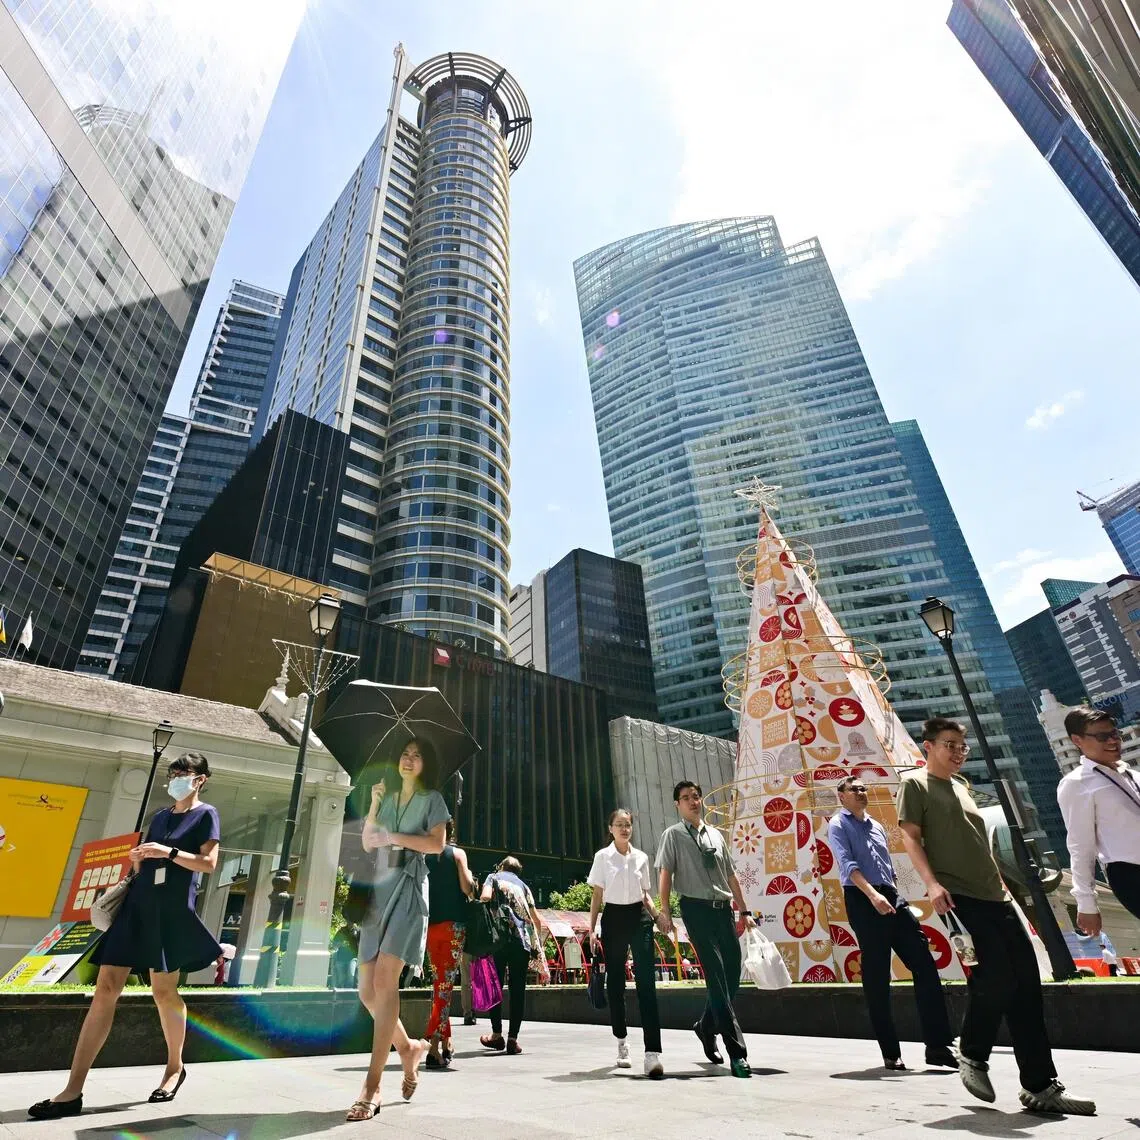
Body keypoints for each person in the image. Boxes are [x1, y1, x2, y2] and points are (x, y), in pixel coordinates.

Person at [898, 717, 1095, 1116]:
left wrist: (1007, 890)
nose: (957, 752)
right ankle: (971, 1053)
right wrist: (932, 885)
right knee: (997, 976)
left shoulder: (961, 787)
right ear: (929, 746)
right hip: (958, 896)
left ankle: (1041, 1086)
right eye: (949, 744)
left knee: (1027, 986)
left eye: (962, 747)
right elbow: (910, 838)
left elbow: (978, 845)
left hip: (995, 896)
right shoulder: (916, 784)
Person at [29, 752, 222, 1120]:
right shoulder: (160, 817)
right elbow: (146, 862)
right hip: (137, 907)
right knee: (105, 989)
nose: (177, 778)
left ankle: (174, 1068)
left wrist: (168, 851)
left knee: (164, 992)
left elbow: (208, 864)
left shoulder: (206, 814)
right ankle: (72, 1091)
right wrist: (138, 859)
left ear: (201, 779)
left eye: (184, 773)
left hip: (170, 913)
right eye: (173, 772)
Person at [347, 738, 450, 1122]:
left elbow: (437, 844)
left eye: (417, 755)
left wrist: (394, 837)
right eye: (405, 754)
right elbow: (369, 842)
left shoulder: (433, 799)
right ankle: (407, 1048)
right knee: (366, 991)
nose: (409, 759)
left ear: (426, 764)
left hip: (409, 888)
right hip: (378, 887)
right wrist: (374, 805)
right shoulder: (387, 798)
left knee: (387, 983)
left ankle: (372, 1086)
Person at [827, 777, 956, 1071]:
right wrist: (872, 897)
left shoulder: (876, 825)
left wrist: (894, 896)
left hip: (891, 897)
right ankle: (890, 1052)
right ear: (841, 796)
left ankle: (938, 1046)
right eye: (854, 790)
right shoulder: (837, 824)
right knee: (877, 976)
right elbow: (847, 866)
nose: (861, 793)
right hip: (862, 898)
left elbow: (886, 866)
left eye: (863, 788)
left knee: (924, 962)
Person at [656, 780, 755, 1079]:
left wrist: (744, 910)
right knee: (715, 976)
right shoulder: (672, 835)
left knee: (732, 975)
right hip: (695, 910)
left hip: (722, 910)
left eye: (696, 796)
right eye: (686, 798)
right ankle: (737, 1053)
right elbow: (665, 874)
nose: (693, 801)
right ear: (677, 804)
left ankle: (704, 1025)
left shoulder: (716, 834)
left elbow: (731, 874)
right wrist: (665, 911)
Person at [588, 808, 667, 1078]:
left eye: (628, 825)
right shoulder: (602, 857)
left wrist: (659, 916)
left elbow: (646, 894)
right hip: (613, 919)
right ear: (610, 828)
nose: (624, 829)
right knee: (617, 983)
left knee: (647, 983)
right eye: (619, 824)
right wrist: (591, 929)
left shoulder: (642, 858)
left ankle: (652, 1053)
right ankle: (622, 1041)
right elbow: (597, 895)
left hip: (640, 917)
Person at [1056, 706, 1140, 933]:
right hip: (1131, 873)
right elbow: (1080, 846)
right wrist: (1086, 904)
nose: (1113, 740)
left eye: (1115, 734)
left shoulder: (1132, 775)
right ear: (1077, 740)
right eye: (1103, 736)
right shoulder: (1076, 784)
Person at [478, 856, 548, 1054]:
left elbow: (484, 897)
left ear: (501, 867)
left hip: (498, 940)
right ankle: (512, 1039)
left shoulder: (493, 877)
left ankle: (497, 1035)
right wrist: (538, 947)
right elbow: (536, 920)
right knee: (518, 990)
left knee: (495, 986)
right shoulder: (525, 887)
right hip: (521, 942)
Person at [424, 821, 476, 1069]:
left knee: (440, 984)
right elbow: (467, 888)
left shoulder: (422, 854)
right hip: (454, 926)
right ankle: (432, 1045)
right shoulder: (457, 853)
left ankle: (446, 1042)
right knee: (444, 986)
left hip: (430, 927)